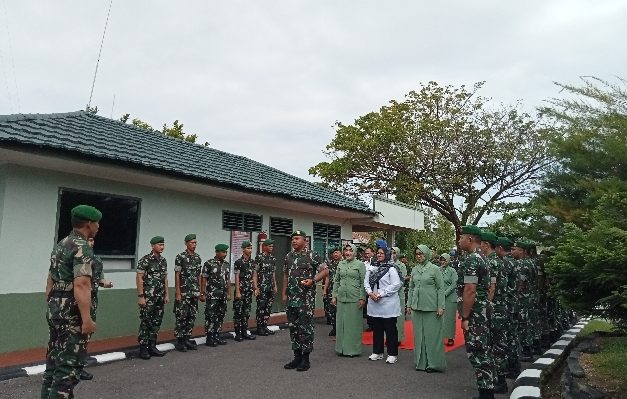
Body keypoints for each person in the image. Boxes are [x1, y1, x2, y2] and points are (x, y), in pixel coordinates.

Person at [42, 205, 101, 399]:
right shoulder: (82, 248)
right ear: (89, 224)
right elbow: (82, 285)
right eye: (96, 223)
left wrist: (52, 307)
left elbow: (50, 279)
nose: (98, 226)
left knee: (53, 363)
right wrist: (86, 319)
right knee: (68, 368)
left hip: (56, 308)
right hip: (72, 314)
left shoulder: (62, 243)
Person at [282, 230, 328, 372]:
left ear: (305, 240)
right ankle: (296, 357)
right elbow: (285, 275)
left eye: (297, 238)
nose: (294, 241)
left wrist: (313, 280)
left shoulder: (312, 255)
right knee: (293, 328)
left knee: (305, 328)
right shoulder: (288, 256)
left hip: (305, 300)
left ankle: (306, 359)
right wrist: (284, 293)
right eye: (292, 239)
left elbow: (325, 270)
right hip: (291, 299)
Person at [459, 225, 495, 399]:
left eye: (461, 238)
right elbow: (488, 287)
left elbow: (470, 290)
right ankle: (487, 391)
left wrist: (466, 316)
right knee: (485, 350)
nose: (459, 241)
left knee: (478, 352)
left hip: (475, 314)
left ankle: (486, 394)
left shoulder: (473, 259)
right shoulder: (483, 257)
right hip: (483, 310)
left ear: (470, 239)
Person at [407, 245, 446, 372]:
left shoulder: (435, 269)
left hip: (432, 307)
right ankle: (421, 363)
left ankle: (434, 364)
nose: (419, 256)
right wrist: (409, 304)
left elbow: (441, 288)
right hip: (417, 307)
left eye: (421, 253)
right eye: (417, 253)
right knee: (419, 336)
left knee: (432, 336)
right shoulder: (414, 269)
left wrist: (441, 306)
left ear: (427, 254)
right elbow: (411, 288)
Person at [81, 237, 113, 380]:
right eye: (88, 240)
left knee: (86, 335)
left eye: (92, 239)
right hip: (76, 301)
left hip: (92, 301)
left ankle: (78, 366)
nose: (91, 242)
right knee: (73, 334)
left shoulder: (97, 260)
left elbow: (99, 279)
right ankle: (69, 367)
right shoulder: (75, 258)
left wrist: (105, 283)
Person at [364, 245, 402, 364]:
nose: (379, 255)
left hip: (388, 304)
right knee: (377, 328)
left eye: (382, 253)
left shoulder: (392, 268)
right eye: (378, 253)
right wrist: (370, 293)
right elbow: (366, 282)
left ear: (387, 254)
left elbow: (396, 284)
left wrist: (380, 294)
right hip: (374, 303)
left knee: (390, 329)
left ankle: (392, 353)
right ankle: (377, 352)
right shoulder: (372, 267)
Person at [480, 231, 508, 394]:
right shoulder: (499, 261)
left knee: (495, 344)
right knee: (499, 343)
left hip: (495, 308)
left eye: (482, 244)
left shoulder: (492, 262)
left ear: (486, 245)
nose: (481, 246)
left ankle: (499, 380)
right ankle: (499, 379)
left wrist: (487, 307)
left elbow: (492, 288)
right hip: (501, 306)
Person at [136, 236, 170, 360]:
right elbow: (139, 278)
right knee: (146, 321)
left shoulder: (163, 261)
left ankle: (152, 346)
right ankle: (143, 348)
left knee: (156, 322)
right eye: (159, 244)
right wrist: (141, 296)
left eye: (163, 244)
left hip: (159, 297)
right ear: (152, 246)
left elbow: (165, 278)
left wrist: (166, 294)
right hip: (148, 297)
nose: (162, 247)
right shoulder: (145, 260)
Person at [331, 243, 367, 356]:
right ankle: (341, 349)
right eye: (346, 250)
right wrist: (334, 295)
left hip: (355, 298)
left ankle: (353, 350)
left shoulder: (360, 265)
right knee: (341, 324)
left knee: (353, 326)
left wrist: (362, 297)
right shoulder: (341, 264)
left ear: (355, 252)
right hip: (342, 298)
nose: (348, 253)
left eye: (350, 250)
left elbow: (363, 282)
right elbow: (336, 281)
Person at [173, 234, 202, 352]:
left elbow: (198, 275)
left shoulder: (197, 257)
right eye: (192, 243)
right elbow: (177, 275)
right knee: (181, 316)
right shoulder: (180, 257)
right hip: (184, 292)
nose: (194, 245)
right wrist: (178, 292)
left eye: (195, 243)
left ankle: (187, 338)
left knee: (191, 316)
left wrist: (199, 290)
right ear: (186, 243)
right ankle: (180, 341)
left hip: (194, 292)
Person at [200, 244, 232, 347]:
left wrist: (229, 292)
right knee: (210, 316)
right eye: (223, 252)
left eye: (226, 252)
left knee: (220, 315)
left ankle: (217, 335)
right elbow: (204, 278)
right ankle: (210, 337)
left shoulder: (226, 264)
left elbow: (228, 280)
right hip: (212, 295)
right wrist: (203, 292)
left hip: (223, 295)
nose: (225, 254)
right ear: (217, 252)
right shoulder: (209, 263)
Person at [253, 239, 277, 336]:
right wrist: (256, 287)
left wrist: (275, 285)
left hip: (270, 287)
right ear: (264, 247)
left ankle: (265, 326)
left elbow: (273, 273)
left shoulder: (273, 259)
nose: (271, 248)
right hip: (262, 287)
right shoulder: (259, 258)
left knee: (268, 308)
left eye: (272, 246)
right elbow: (254, 273)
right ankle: (259, 328)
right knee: (261, 307)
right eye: (269, 246)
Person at [233, 240, 256, 341]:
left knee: (246, 312)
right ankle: (238, 333)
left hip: (249, 290)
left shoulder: (253, 262)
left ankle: (244, 332)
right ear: (243, 249)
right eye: (248, 248)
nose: (250, 250)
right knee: (238, 312)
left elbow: (254, 275)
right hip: (241, 291)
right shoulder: (238, 262)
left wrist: (256, 288)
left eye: (251, 248)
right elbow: (237, 277)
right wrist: (237, 290)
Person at [440, 253, 457, 347]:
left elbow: (454, 284)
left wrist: (445, 293)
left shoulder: (452, 271)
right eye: (441, 260)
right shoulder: (438, 270)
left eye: (445, 260)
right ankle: (440, 337)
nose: (443, 262)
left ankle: (450, 337)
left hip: (450, 298)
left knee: (450, 319)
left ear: (448, 261)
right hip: (440, 298)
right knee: (440, 318)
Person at [323, 247, 342, 336]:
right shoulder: (330, 265)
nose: (335, 254)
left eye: (337, 252)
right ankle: (334, 328)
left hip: (341, 290)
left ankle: (341, 329)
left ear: (341, 254)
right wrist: (324, 290)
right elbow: (327, 277)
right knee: (332, 310)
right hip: (331, 290)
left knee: (341, 310)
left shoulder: (344, 264)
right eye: (334, 253)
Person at [392, 246, 408, 344]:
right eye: (391, 253)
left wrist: (392, 289)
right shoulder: (387, 264)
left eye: (394, 253)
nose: (392, 255)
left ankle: (398, 338)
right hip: (388, 295)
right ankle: (389, 337)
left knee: (399, 317)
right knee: (389, 317)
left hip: (398, 293)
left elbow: (402, 280)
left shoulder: (401, 265)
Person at [362, 246, 375, 331]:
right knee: (367, 308)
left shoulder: (376, 263)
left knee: (374, 307)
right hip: (366, 289)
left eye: (368, 253)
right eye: (365, 253)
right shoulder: (363, 264)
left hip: (374, 289)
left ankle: (375, 324)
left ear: (373, 253)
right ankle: (370, 325)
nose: (367, 255)